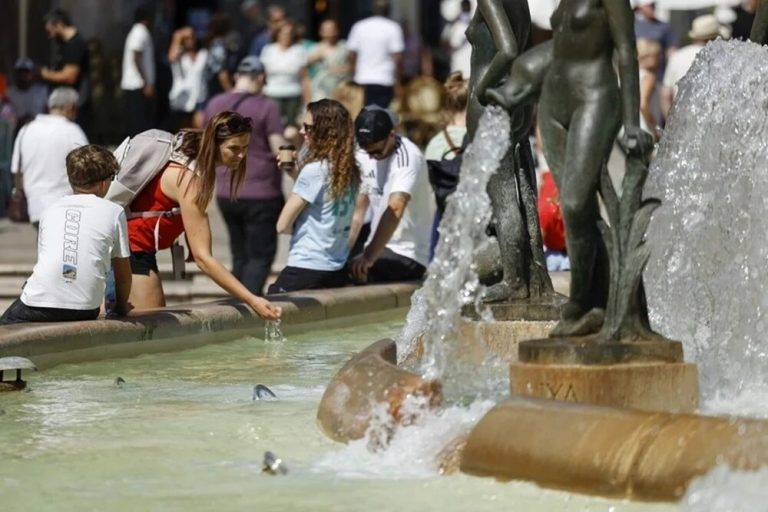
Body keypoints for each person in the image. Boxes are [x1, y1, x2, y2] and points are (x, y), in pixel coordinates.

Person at [125, 111, 281, 320]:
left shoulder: (189, 158)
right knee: (153, 328)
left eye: (245, 148)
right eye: (234, 148)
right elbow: (203, 259)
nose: (242, 155)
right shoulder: (191, 180)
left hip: (134, 247)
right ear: (212, 144)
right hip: (131, 249)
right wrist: (252, 300)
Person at [0, 145, 132, 325]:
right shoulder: (114, 212)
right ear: (103, 184)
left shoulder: (50, 210)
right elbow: (123, 274)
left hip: (38, 303)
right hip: (86, 308)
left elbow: (57, 264)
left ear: (71, 180)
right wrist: (121, 309)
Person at [202, 57, 285, 296]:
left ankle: (236, 305)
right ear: (260, 78)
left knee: (239, 255)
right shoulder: (266, 106)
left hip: (226, 192)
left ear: (237, 76)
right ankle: (248, 305)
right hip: (262, 192)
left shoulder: (215, 103)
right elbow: (277, 145)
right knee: (260, 256)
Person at [269, 99, 359, 293]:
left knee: (271, 312)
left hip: (306, 265)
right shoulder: (350, 169)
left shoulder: (314, 170)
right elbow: (323, 205)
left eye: (308, 127)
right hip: (336, 267)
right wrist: (295, 175)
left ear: (325, 131)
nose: (302, 131)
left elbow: (282, 225)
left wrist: (301, 228)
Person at [349, 107, 435, 283]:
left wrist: (369, 257)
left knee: (352, 275)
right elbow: (358, 212)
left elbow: (396, 207)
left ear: (391, 135)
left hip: (409, 253)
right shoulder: (363, 153)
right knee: (332, 272)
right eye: (368, 152)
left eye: (377, 152)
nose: (372, 157)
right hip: (376, 247)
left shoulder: (407, 157)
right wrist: (342, 253)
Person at [11, 88, 88, 227]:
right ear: (71, 107)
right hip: (67, 207)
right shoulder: (73, 131)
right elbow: (88, 169)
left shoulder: (26, 129)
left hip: (34, 207)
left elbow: (17, 171)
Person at [424, 72, 468, 255]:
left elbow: (430, 195)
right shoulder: (479, 139)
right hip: (473, 220)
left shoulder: (435, 143)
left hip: (443, 218)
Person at [661, 15, 729, 119]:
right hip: (710, 121)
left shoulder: (676, 56)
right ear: (715, 37)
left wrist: (669, 125)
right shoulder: (721, 57)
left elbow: (665, 95)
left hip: (681, 119)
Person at [347, 0, 405, 108]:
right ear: (388, 10)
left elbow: (351, 55)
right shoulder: (393, 27)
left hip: (362, 78)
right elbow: (398, 58)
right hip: (384, 79)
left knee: (362, 115)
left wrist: (352, 75)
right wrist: (398, 82)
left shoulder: (359, 26)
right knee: (381, 117)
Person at [40, 8, 90, 130]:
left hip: (73, 105)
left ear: (59, 24)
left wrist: (44, 74)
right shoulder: (63, 44)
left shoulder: (75, 45)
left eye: (49, 28)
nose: (48, 34)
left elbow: (69, 77)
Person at [261, 21, 310, 125]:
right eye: (284, 33)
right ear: (278, 34)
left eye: (290, 33)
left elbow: (305, 78)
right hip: (272, 94)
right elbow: (263, 75)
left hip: (293, 95)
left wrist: (308, 101)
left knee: (292, 127)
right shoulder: (268, 50)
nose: (287, 36)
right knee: (273, 125)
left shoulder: (299, 50)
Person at [120, 6, 156, 137]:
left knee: (136, 120)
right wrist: (146, 82)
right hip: (137, 84)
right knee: (139, 123)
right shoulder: (140, 32)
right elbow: (136, 56)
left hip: (136, 83)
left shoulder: (136, 31)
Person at [168, 27, 208, 130]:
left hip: (200, 98)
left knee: (198, 129)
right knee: (183, 132)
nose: (190, 40)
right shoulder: (179, 55)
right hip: (182, 101)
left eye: (192, 37)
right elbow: (171, 57)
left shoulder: (203, 54)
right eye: (186, 38)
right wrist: (178, 36)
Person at [633, 0, 677, 82]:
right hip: (640, 76)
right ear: (641, 7)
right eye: (649, 6)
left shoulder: (664, 27)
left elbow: (671, 52)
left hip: (660, 77)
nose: (652, 8)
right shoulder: (634, 27)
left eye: (653, 5)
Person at [308, 19, 350, 102]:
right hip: (321, 89)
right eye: (326, 29)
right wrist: (314, 58)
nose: (329, 32)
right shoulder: (316, 48)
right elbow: (305, 68)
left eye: (332, 29)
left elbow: (354, 66)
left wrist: (342, 69)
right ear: (321, 32)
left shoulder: (345, 47)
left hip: (341, 88)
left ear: (337, 30)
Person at [205, 12, 242, 98]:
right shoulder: (218, 46)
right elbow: (222, 73)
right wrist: (231, 94)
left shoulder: (222, 43)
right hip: (217, 90)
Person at [6, 58, 48, 128]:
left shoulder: (42, 90)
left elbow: (47, 113)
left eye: (26, 71)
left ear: (32, 73)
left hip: (39, 128)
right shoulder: (9, 92)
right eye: (20, 72)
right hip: (16, 129)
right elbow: (6, 116)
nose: (23, 75)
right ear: (16, 74)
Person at [637, 38, 661, 140]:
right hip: (645, 131)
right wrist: (656, 129)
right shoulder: (648, 77)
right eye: (657, 55)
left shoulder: (628, 77)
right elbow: (643, 104)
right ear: (648, 56)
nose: (660, 58)